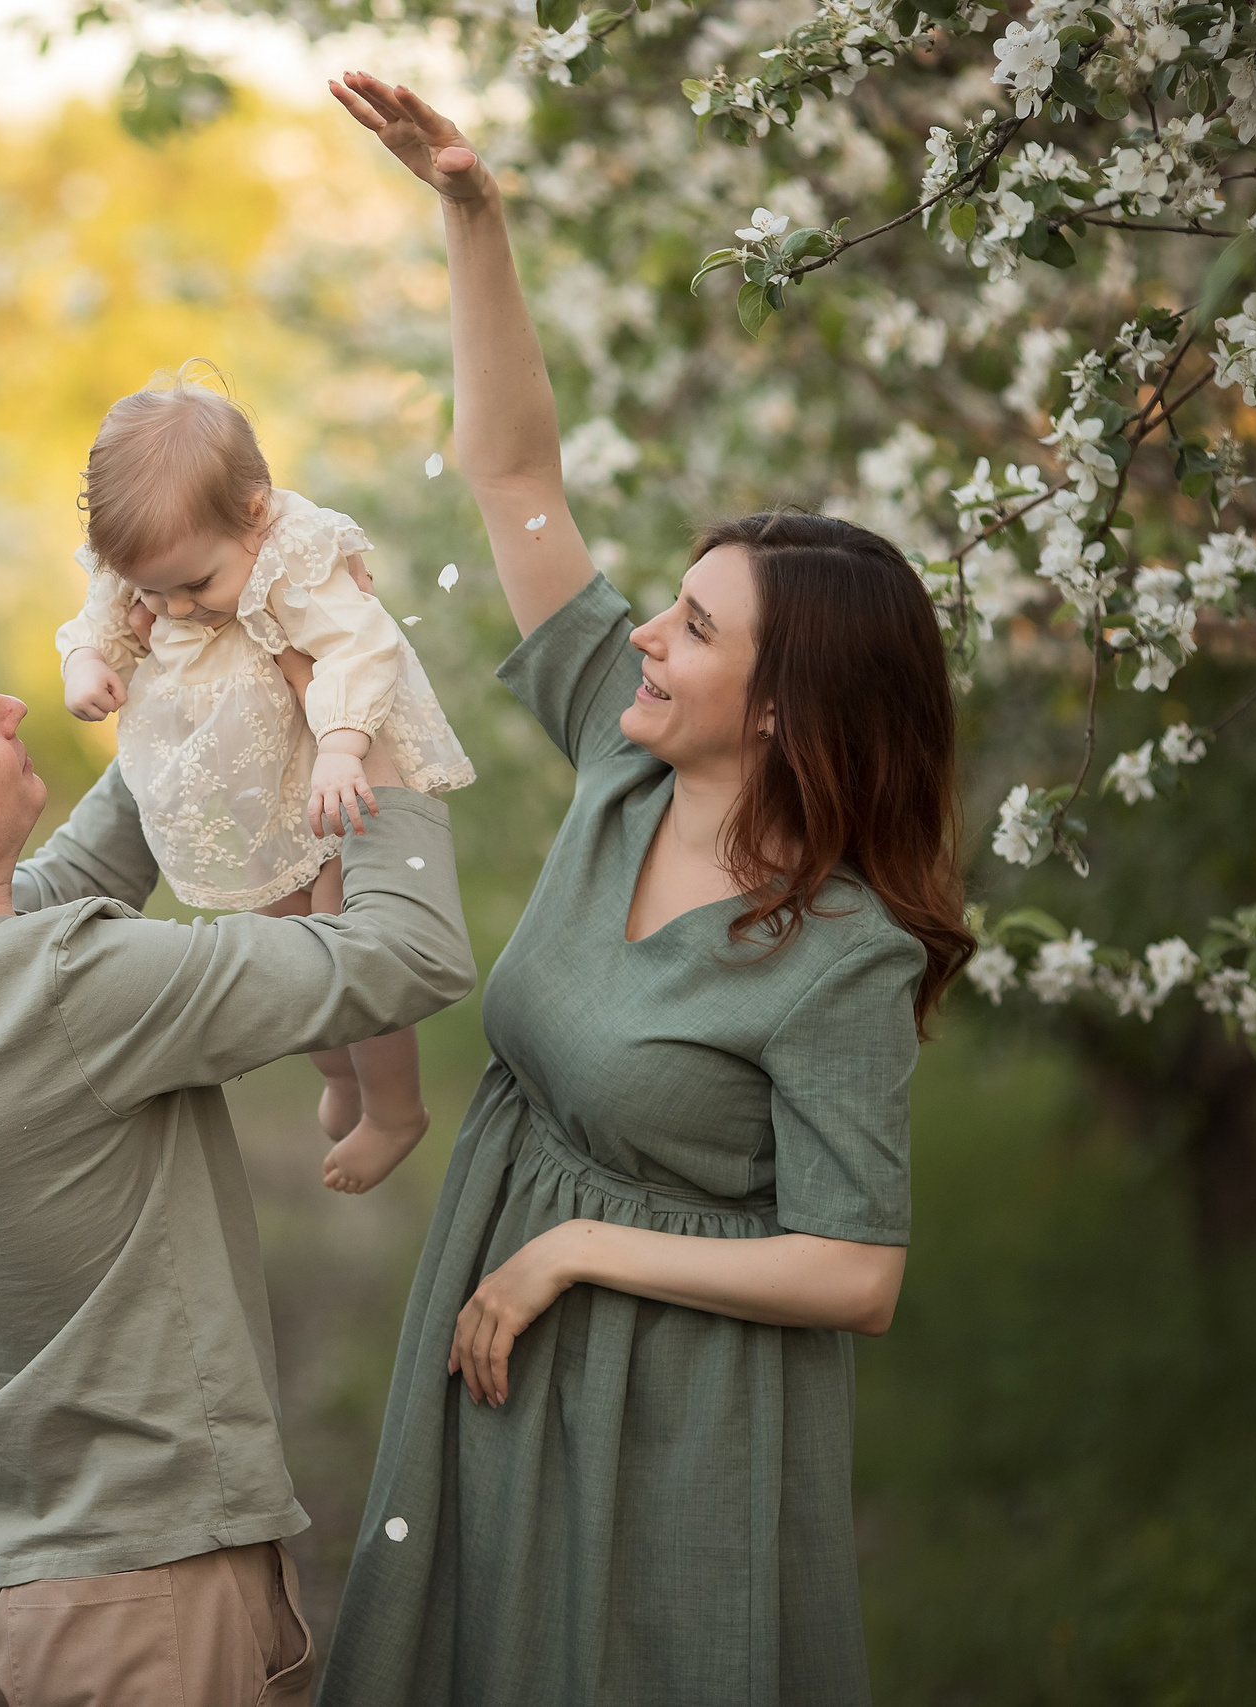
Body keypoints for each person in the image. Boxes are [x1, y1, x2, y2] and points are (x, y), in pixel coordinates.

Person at [314, 73, 975, 1705]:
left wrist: (578, 1252)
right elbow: (515, 474)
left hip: (677, 1401)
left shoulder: (840, 956)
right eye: (662, 608)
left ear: (778, 709)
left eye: (691, 627)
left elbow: (855, 1268)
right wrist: (475, 213)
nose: (646, 640)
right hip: (502, 1302)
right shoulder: (629, 759)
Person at [0, 623, 477, 1706]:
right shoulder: (70, 991)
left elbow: (68, 876)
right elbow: (407, 956)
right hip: (136, 1604)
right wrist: (379, 739)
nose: (12, 708)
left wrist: (202, 685)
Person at [58, 374, 476, 1194]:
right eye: (153, 591)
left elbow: (361, 647)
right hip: (249, 793)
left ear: (253, 515)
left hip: (325, 769)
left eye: (195, 585)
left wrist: (345, 747)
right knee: (297, 961)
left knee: (349, 939)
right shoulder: (157, 559)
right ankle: (341, 1077)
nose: (175, 610)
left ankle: (395, 1107)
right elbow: (99, 624)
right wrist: (85, 666)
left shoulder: (293, 553)